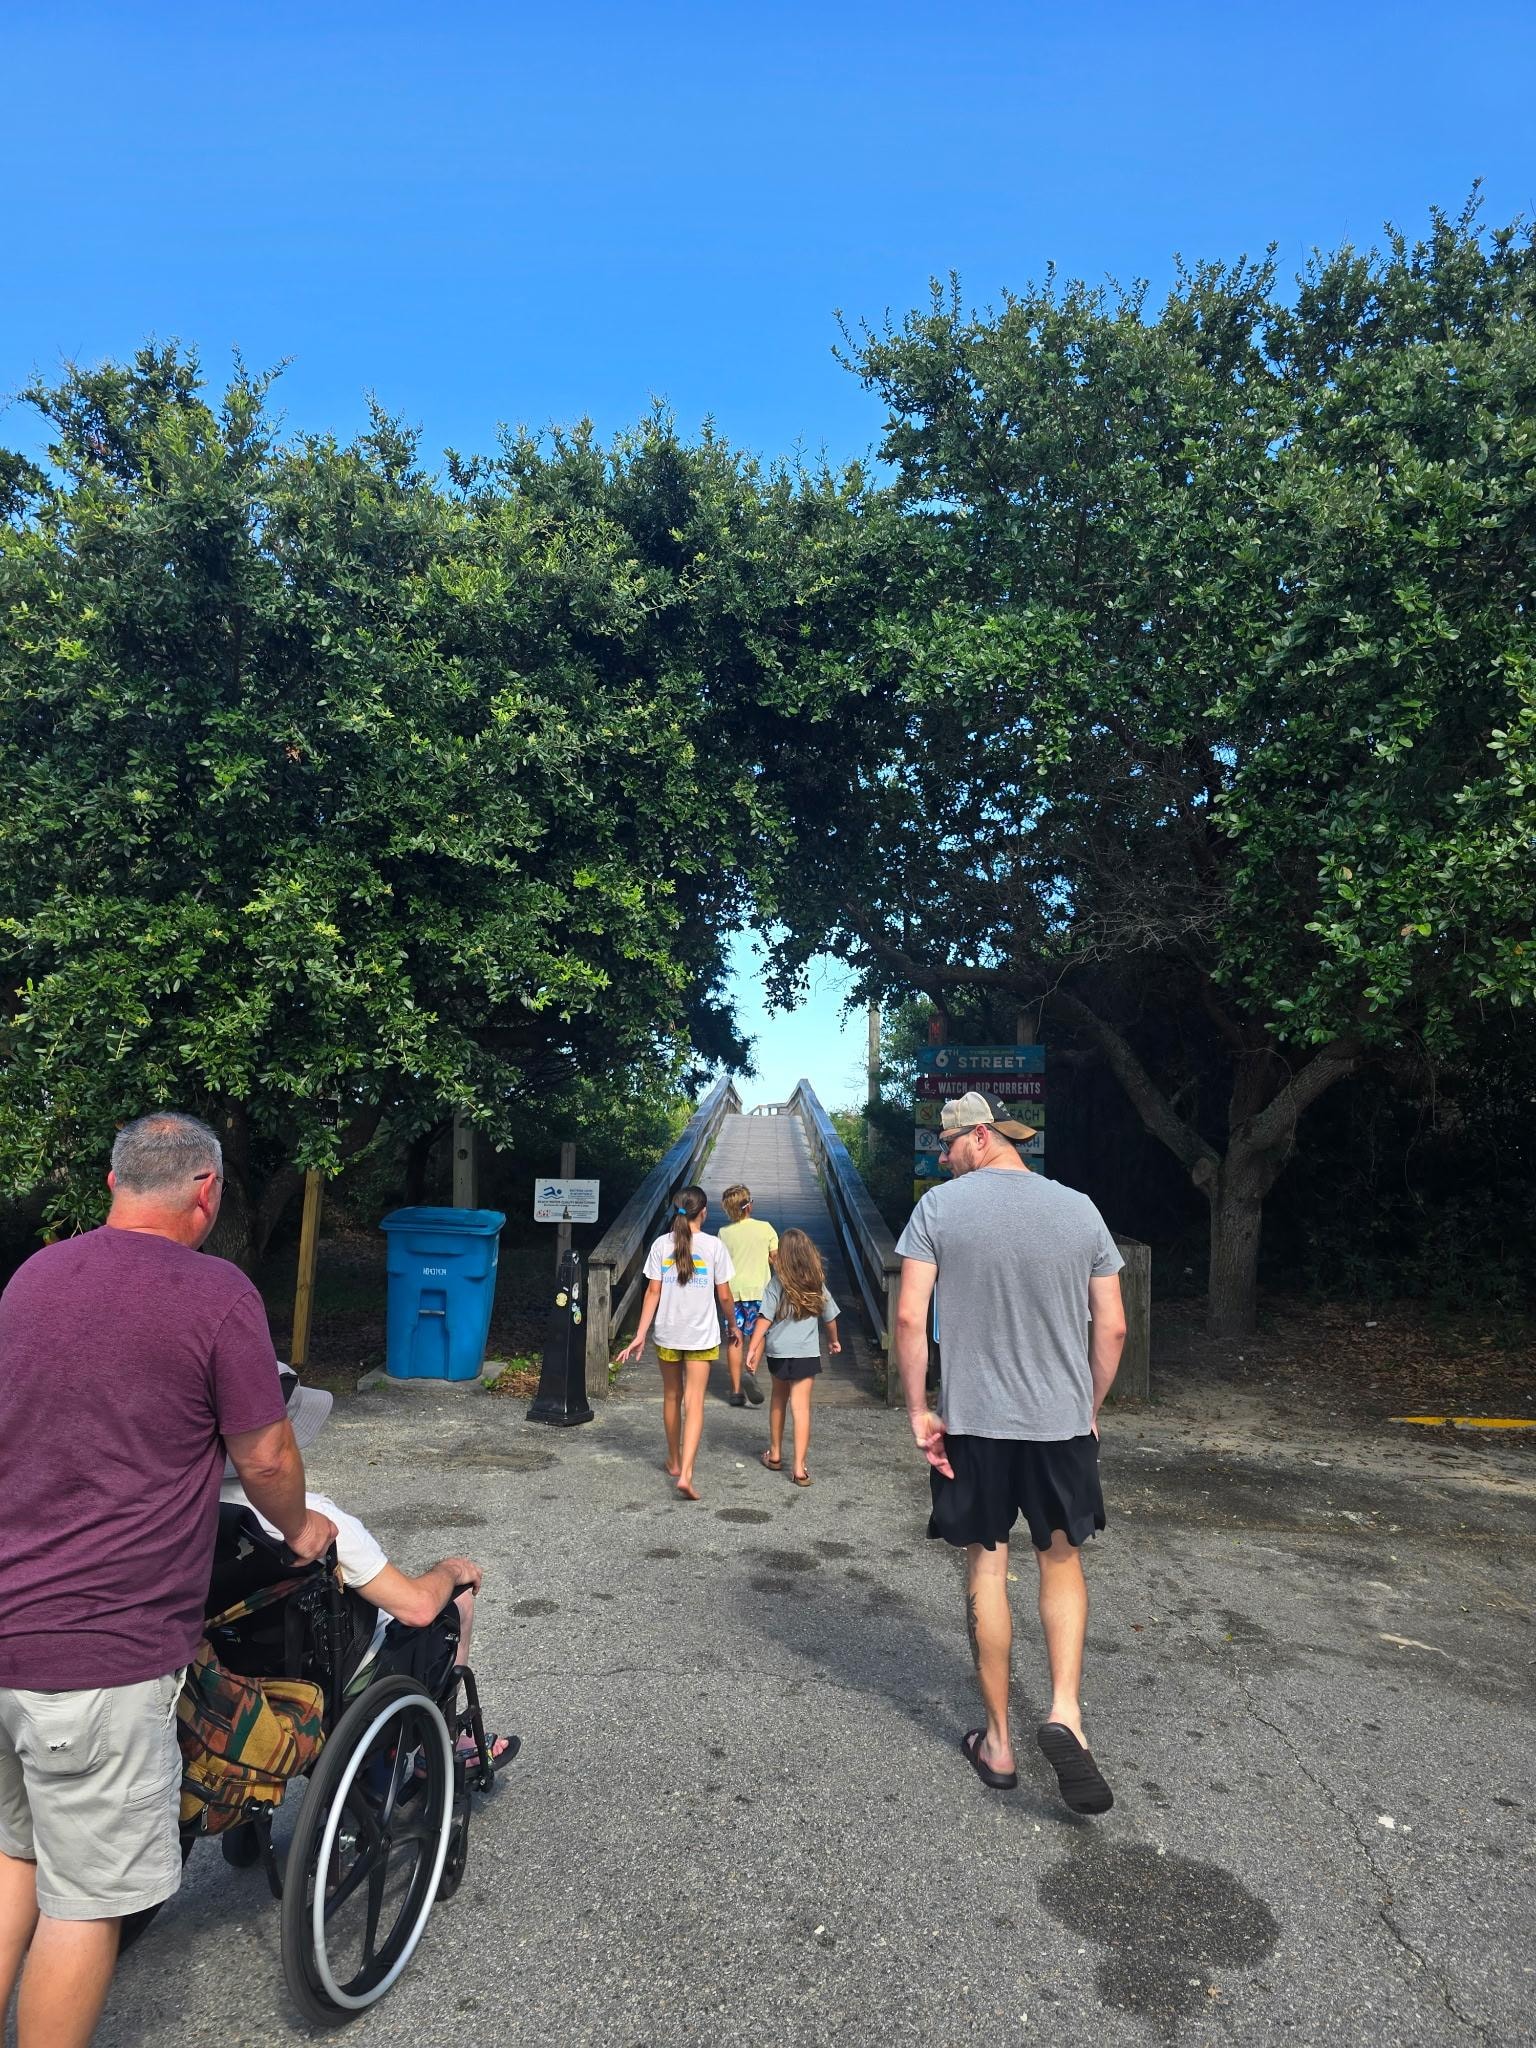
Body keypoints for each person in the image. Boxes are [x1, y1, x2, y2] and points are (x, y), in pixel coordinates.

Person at [0, 1112, 335, 2048]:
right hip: (99, 1650)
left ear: (113, 1184)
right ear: (206, 1193)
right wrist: (300, 1524)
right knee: (85, 1904)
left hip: (6, 1630)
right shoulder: (216, 1295)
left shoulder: (33, 1279)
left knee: (12, 1858)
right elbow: (264, 1454)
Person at [892, 1089, 1126, 1815]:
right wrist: (1086, 1407)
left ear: (983, 1137)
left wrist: (919, 1408)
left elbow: (908, 1313)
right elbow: (1112, 1328)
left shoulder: (939, 1211)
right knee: (1060, 1558)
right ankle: (1064, 1711)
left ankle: (998, 1741)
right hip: (1060, 1426)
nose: (940, 1155)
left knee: (987, 1566)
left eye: (947, 1143)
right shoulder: (1080, 1208)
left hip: (978, 1425)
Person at [215, 1366, 516, 1862]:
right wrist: (449, 1568)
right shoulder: (313, 1519)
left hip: (232, 1681)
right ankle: (430, 1748)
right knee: (452, 1598)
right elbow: (417, 1608)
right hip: (332, 1686)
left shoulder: (186, 1516)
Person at [615, 1185, 736, 1500]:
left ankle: (673, 1458)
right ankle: (687, 1473)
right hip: (701, 1335)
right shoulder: (713, 1247)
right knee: (694, 1402)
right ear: (704, 1212)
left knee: (672, 1396)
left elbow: (652, 1292)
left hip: (668, 1332)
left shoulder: (659, 1245)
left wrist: (641, 1334)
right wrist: (734, 1325)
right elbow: (724, 1295)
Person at [745, 1227, 840, 1487]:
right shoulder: (816, 1284)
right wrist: (834, 1341)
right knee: (801, 1409)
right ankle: (799, 1468)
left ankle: (775, 1454)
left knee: (778, 1399)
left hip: (778, 1352)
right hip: (806, 1353)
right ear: (809, 1254)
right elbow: (830, 1317)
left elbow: (764, 1319)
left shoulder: (777, 1284)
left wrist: (752, 1348)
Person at [717, 1183, 778, 1408]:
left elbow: (720, 1265)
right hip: (759, 1291)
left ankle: (735, 1391)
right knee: (757, 1336)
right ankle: (750, 1373)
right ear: (749, 1206)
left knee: (735, 1337)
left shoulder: (724, 1233)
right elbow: (776, 1258)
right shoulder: (766, 1228)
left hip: (733, 1293)